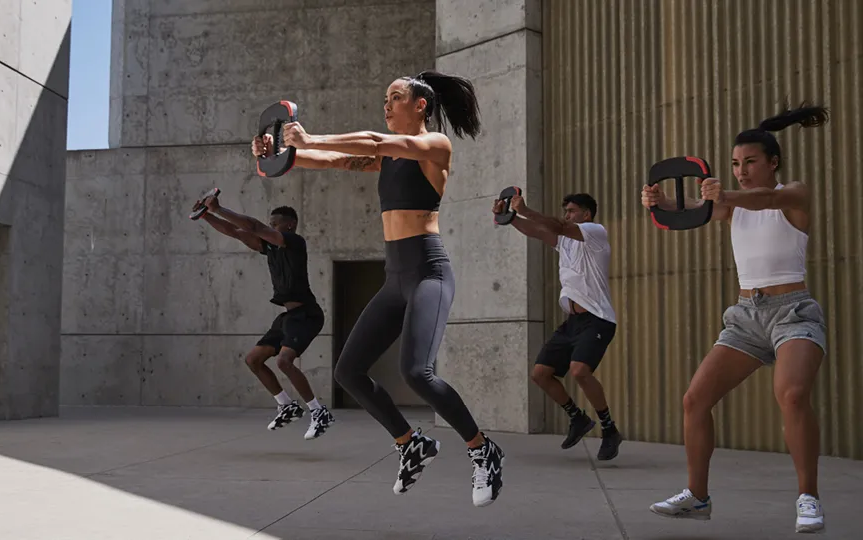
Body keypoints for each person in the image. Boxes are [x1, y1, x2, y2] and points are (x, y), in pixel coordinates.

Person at [251, 70, 505, 507]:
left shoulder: (435, 145)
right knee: (348, 371)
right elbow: (331, 161)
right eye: (384, 98)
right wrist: (280, 153)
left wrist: (309, 137)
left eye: (395, 97)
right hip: (395, 278)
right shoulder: (386, 158)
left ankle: (483, 450)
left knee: (416, 372)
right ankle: (411, 443)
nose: (386, 105)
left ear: (420, 105)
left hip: (428, 271)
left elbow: (372, 140)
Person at [642, 104, 830, 533]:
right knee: (694, 400)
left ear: (773, 163)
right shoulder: (731, 205)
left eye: (749, 162)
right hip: (745, 317)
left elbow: (763, 198)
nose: (741, 171)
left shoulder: (793, 193)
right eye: (734, 164)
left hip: (793, 312)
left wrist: (723, 195)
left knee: (793, 394)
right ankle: (697, 497)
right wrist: (660, 201)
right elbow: (693, 208)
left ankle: (809, 497)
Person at [492, 192, 623, 460]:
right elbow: (539, 232)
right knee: (540, 374)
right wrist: (509, 217)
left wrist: (525, 208)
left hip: (598, 318)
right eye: (566, 210)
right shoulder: (564, 242)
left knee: (578, 371)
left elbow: (557, 226)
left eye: (572, 211)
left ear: (586, 214)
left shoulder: (595, 233)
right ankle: (578, 418)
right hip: (573, 321)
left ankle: (609, 429)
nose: (567, 215)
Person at [193, 197, 334, 440]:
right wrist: (206, 216)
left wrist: (218, 208)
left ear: (289, 225)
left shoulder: (294, 242)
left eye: (275, 224)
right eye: (270, 223)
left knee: (283, 362)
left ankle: (318, 412)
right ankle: (286, 405)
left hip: (307, 314)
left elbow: (254, 226)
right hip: (288, 316)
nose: (271, 227)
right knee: (253, 360)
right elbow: (234, 231)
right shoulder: (268, 248)